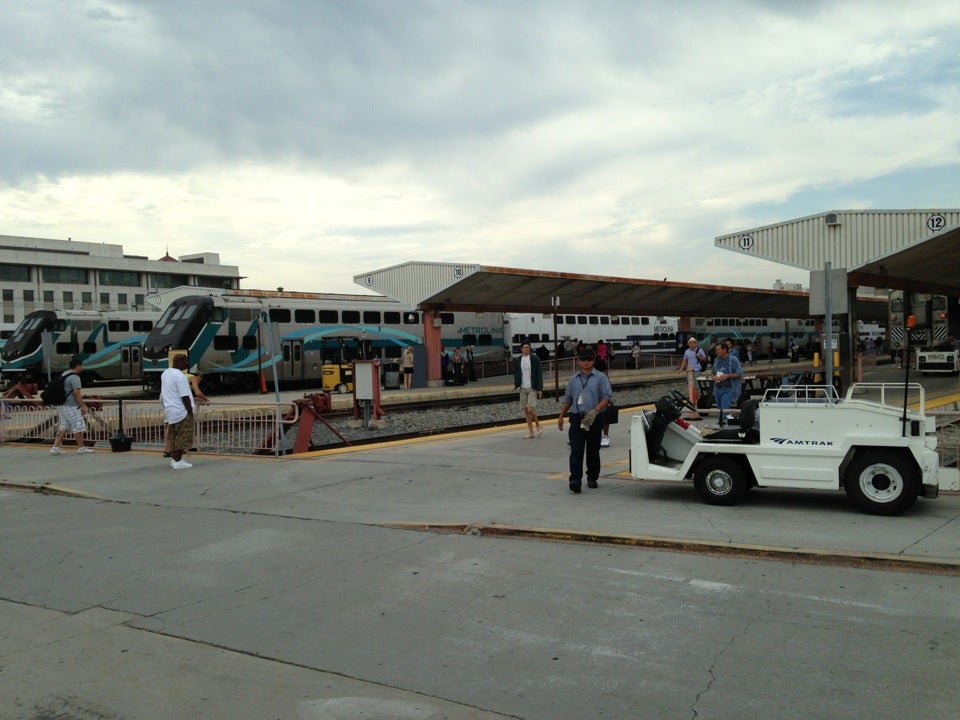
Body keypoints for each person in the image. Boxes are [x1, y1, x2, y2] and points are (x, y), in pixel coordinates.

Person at [557, 349, 612, 493]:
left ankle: (592, 477)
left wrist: (596, 410)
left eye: (589, 360)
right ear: (579, 361)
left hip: (594, 417)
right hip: (577, 417)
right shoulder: (573, 379)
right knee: (576, 449)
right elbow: (568, 399)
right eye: (583, 360)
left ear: (593, 361)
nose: (586, 362)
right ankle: (575, 479)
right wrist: (561, 416)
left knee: (593, 450)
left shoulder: (600, 378)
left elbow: (607, 397)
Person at [50, 356, 95, 455]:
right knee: (77, 425)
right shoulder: (75, 377)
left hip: (61, 405)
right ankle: (81, 448)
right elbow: (76, 393)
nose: (81, 368)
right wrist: (83, 406)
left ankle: (55, 447)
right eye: (81, 366)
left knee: (64, 426)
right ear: (77, 366)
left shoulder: (64, 374)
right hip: (71, 405)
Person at [163, 368, 208, 457]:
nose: (199, 382)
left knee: (171, 424)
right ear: (199, 376)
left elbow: (184, 395)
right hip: (173, 400)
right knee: (180, 424)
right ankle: (175, 449)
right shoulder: (194, 378)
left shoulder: (184, 376)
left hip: (167, 397)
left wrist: (195, 399)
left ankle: (170, 448)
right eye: (200, 380)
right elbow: (197, 392)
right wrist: (206, 399)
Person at [161, 354, 195, 469]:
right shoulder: (180, 376)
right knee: (182, 436)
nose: (187, 364)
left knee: (174, 436)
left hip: (170, 410)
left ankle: (174, 459)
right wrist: (190, 412)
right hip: (181, 411)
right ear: (180, 362)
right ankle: (178, 461)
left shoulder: (165, 373)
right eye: (186, 362)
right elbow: (184, 396)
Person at [513, 342, 544, 438]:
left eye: (528, 347)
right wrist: (516, 381)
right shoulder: (518, 360)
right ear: (521, 349)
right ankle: (531, 432)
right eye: (525, 347)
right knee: (526, 411)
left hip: (532, 387)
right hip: (522, 387)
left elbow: (539, 374)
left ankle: (538, 425)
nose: (526, 349)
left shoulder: (535, 359)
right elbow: (516, 372)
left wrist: (540, 388)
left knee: (530, 409)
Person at [712, 341, 743, 427]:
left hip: (728, 389)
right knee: (720, 410)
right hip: (718, 388)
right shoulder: (716, 360)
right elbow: (713, 372)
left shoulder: (733, 359)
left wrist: (727, 376)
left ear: (725, 349)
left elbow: (739, 374)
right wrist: (714, 377)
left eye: (718, 350)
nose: (716, 352)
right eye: (716, 350)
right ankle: (725, 424)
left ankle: (722, 425)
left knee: (724, 410)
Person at [676, 337, 707, 421]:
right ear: (688, 344)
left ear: (696, 343)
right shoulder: (687, 351)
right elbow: (684, 360)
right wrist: (681, 368)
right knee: (690, 387)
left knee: (696, 387)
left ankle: (695, 401)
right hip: (689, 371)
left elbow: (704, 359)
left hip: (697, 370)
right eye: (690, 343)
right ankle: (692, 401)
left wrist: (699, 357)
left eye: (693, 343)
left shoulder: (699, 350)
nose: (692, 344)